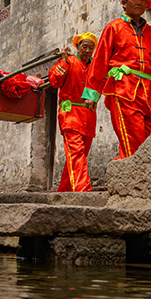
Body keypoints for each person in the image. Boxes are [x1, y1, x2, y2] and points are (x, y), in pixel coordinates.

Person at [82, 0, 151, 159]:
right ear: (124, 3)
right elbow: (100, 60)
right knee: (133, 141)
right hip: (124, 89)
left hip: (149, 93)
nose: (139, 2)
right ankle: (135, 174)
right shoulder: (114, 27)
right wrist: (92, 94)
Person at [48, 32, 98, 191]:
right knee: (76, 152)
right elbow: (54, 82)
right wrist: (64, 62)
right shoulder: (68, 61)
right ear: (77, 47)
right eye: (84, 46)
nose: (87, 50)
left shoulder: (95, 66)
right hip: (70, 114)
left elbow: (102, 84)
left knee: (79, 155)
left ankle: (64, 191)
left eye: (91, 48)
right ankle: (83, 190)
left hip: (89, 116)